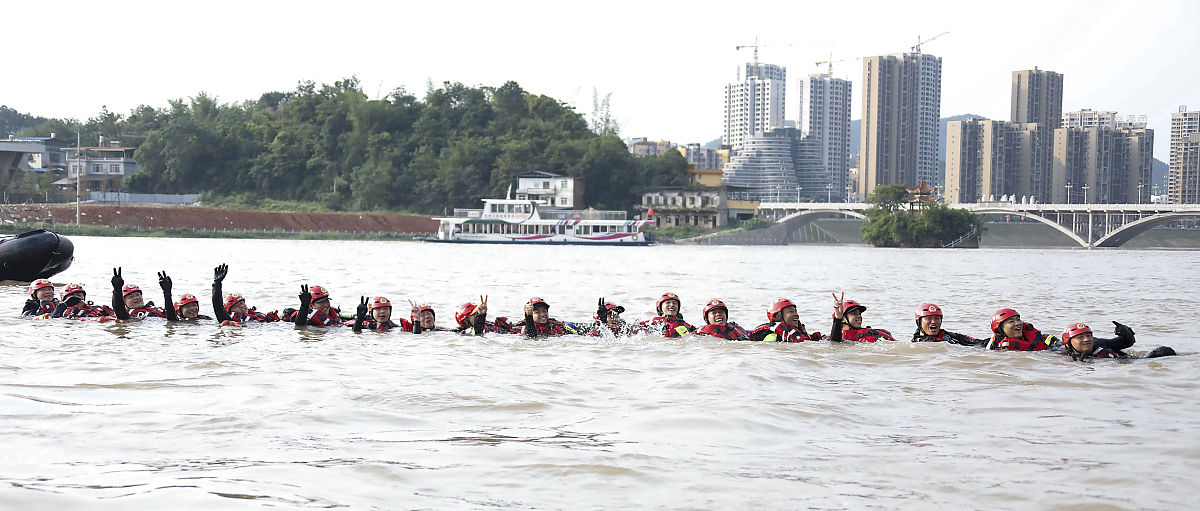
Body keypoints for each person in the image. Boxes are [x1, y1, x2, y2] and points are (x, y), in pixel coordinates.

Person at [1057, 322, 1176, 360]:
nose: (1087, 339)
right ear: (1068, 342)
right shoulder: (1060, 354)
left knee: (1164, 351)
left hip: (1139, 361)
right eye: (1080, 337)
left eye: (1089, 335)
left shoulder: (1099, 344)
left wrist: (1126, 333)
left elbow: (1126, 342)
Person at [210, 264, 280, 324]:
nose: (242, 305)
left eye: (243, 303)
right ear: (229, 309)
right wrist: (217, 283)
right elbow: (217, 305)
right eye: (237, 305)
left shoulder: (255, 315)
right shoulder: (227, 318)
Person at [828, 293, 895, 342]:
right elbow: (835, 343)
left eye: (859, 313)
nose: (859, 316)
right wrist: (838, 318)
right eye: (854, 313)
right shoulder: (834, 337)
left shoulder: (873, 333)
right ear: (843, 319)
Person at [749, 298, 821, 342]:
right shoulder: (772, 338)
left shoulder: (803, 333)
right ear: (777, 316)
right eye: (791, 312)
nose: (797, 315)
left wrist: (833, 320)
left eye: (796, 311)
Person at [984, 308, 1057, 351]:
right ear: (1000, 330)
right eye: (1011, 321)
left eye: (1018, 320)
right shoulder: (994, 345)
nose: (1018, 323)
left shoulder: (1045, 339)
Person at [910, 302, 978, 345]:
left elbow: (968, 339)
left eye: (937, 318)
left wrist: (983, 342)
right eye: (929, 318)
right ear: (919, 322)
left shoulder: (945, 334)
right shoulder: (920, 344)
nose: (933, 322)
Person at [50, 283, 115, 319]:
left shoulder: (97, 308)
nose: (76, 298)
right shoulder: (61, 311)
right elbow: (54, 320)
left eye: (79, 295)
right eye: (72, 296)